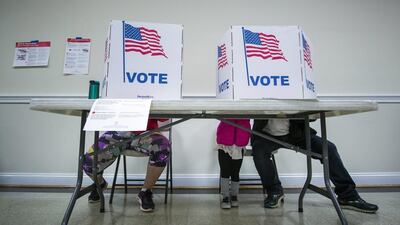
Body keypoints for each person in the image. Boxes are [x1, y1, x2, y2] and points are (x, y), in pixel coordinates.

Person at [251, 119, 378, 213]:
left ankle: (348, 196)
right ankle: (274, 191)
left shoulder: (295, 86)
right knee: (259, 151)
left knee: (328, 148)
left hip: (297, 133)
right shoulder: (260, 86)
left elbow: (312, 115)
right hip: (266, 135)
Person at [82, 118, 170, 212]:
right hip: (118, 132)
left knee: (163, 148)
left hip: (146, 133)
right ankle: (100, 184)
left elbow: (165, 118)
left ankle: (145, 192)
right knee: (87, 162)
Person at [216, 119, 251, 209]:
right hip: (224, 143)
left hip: (240, 144)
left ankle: (234, 196)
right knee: (225, 171)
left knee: (235, 172)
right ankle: (225, 196)